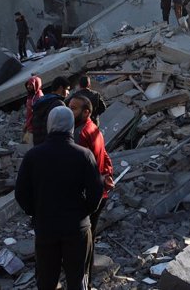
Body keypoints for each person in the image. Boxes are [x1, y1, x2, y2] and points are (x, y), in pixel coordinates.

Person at [15, 107, 103, 290]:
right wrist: (83, 212)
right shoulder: (84, 155)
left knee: (46, 279)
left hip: (46, 226)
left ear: (49, 125)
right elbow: (96, 192)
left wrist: (35, 211)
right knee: (77, 278)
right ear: (71, 126)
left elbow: (21, 193)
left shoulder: (33, 156)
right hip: (76, 227)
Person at [67, 95, 114, 286]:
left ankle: (82, 277)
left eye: (74, 108)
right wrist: (108, 174)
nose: (70, 111)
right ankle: (86, 276)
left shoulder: (80, 134)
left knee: (81, 239)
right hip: (98, 191)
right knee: (89, 236)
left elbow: (78, 169)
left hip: (89, 194)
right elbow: (105, 156)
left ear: (86, 112)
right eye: (69, 107)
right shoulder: (94, 129)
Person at [31, 76, 70, 146]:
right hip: (51, 145)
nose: (68, 92)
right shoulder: (59, 104)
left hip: (38, 145)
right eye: (67, 89)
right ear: (61, 88)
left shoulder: (41, 101)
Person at [23, 75, 44, 145]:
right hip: (30, 125)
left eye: (31, 85)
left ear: (37, 85)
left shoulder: (39, 97)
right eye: (28, 84)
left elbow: (36, 114)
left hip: (35, 127)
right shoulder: (31, 95)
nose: (28, 86)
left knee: (32, 145)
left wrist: (28, 124)